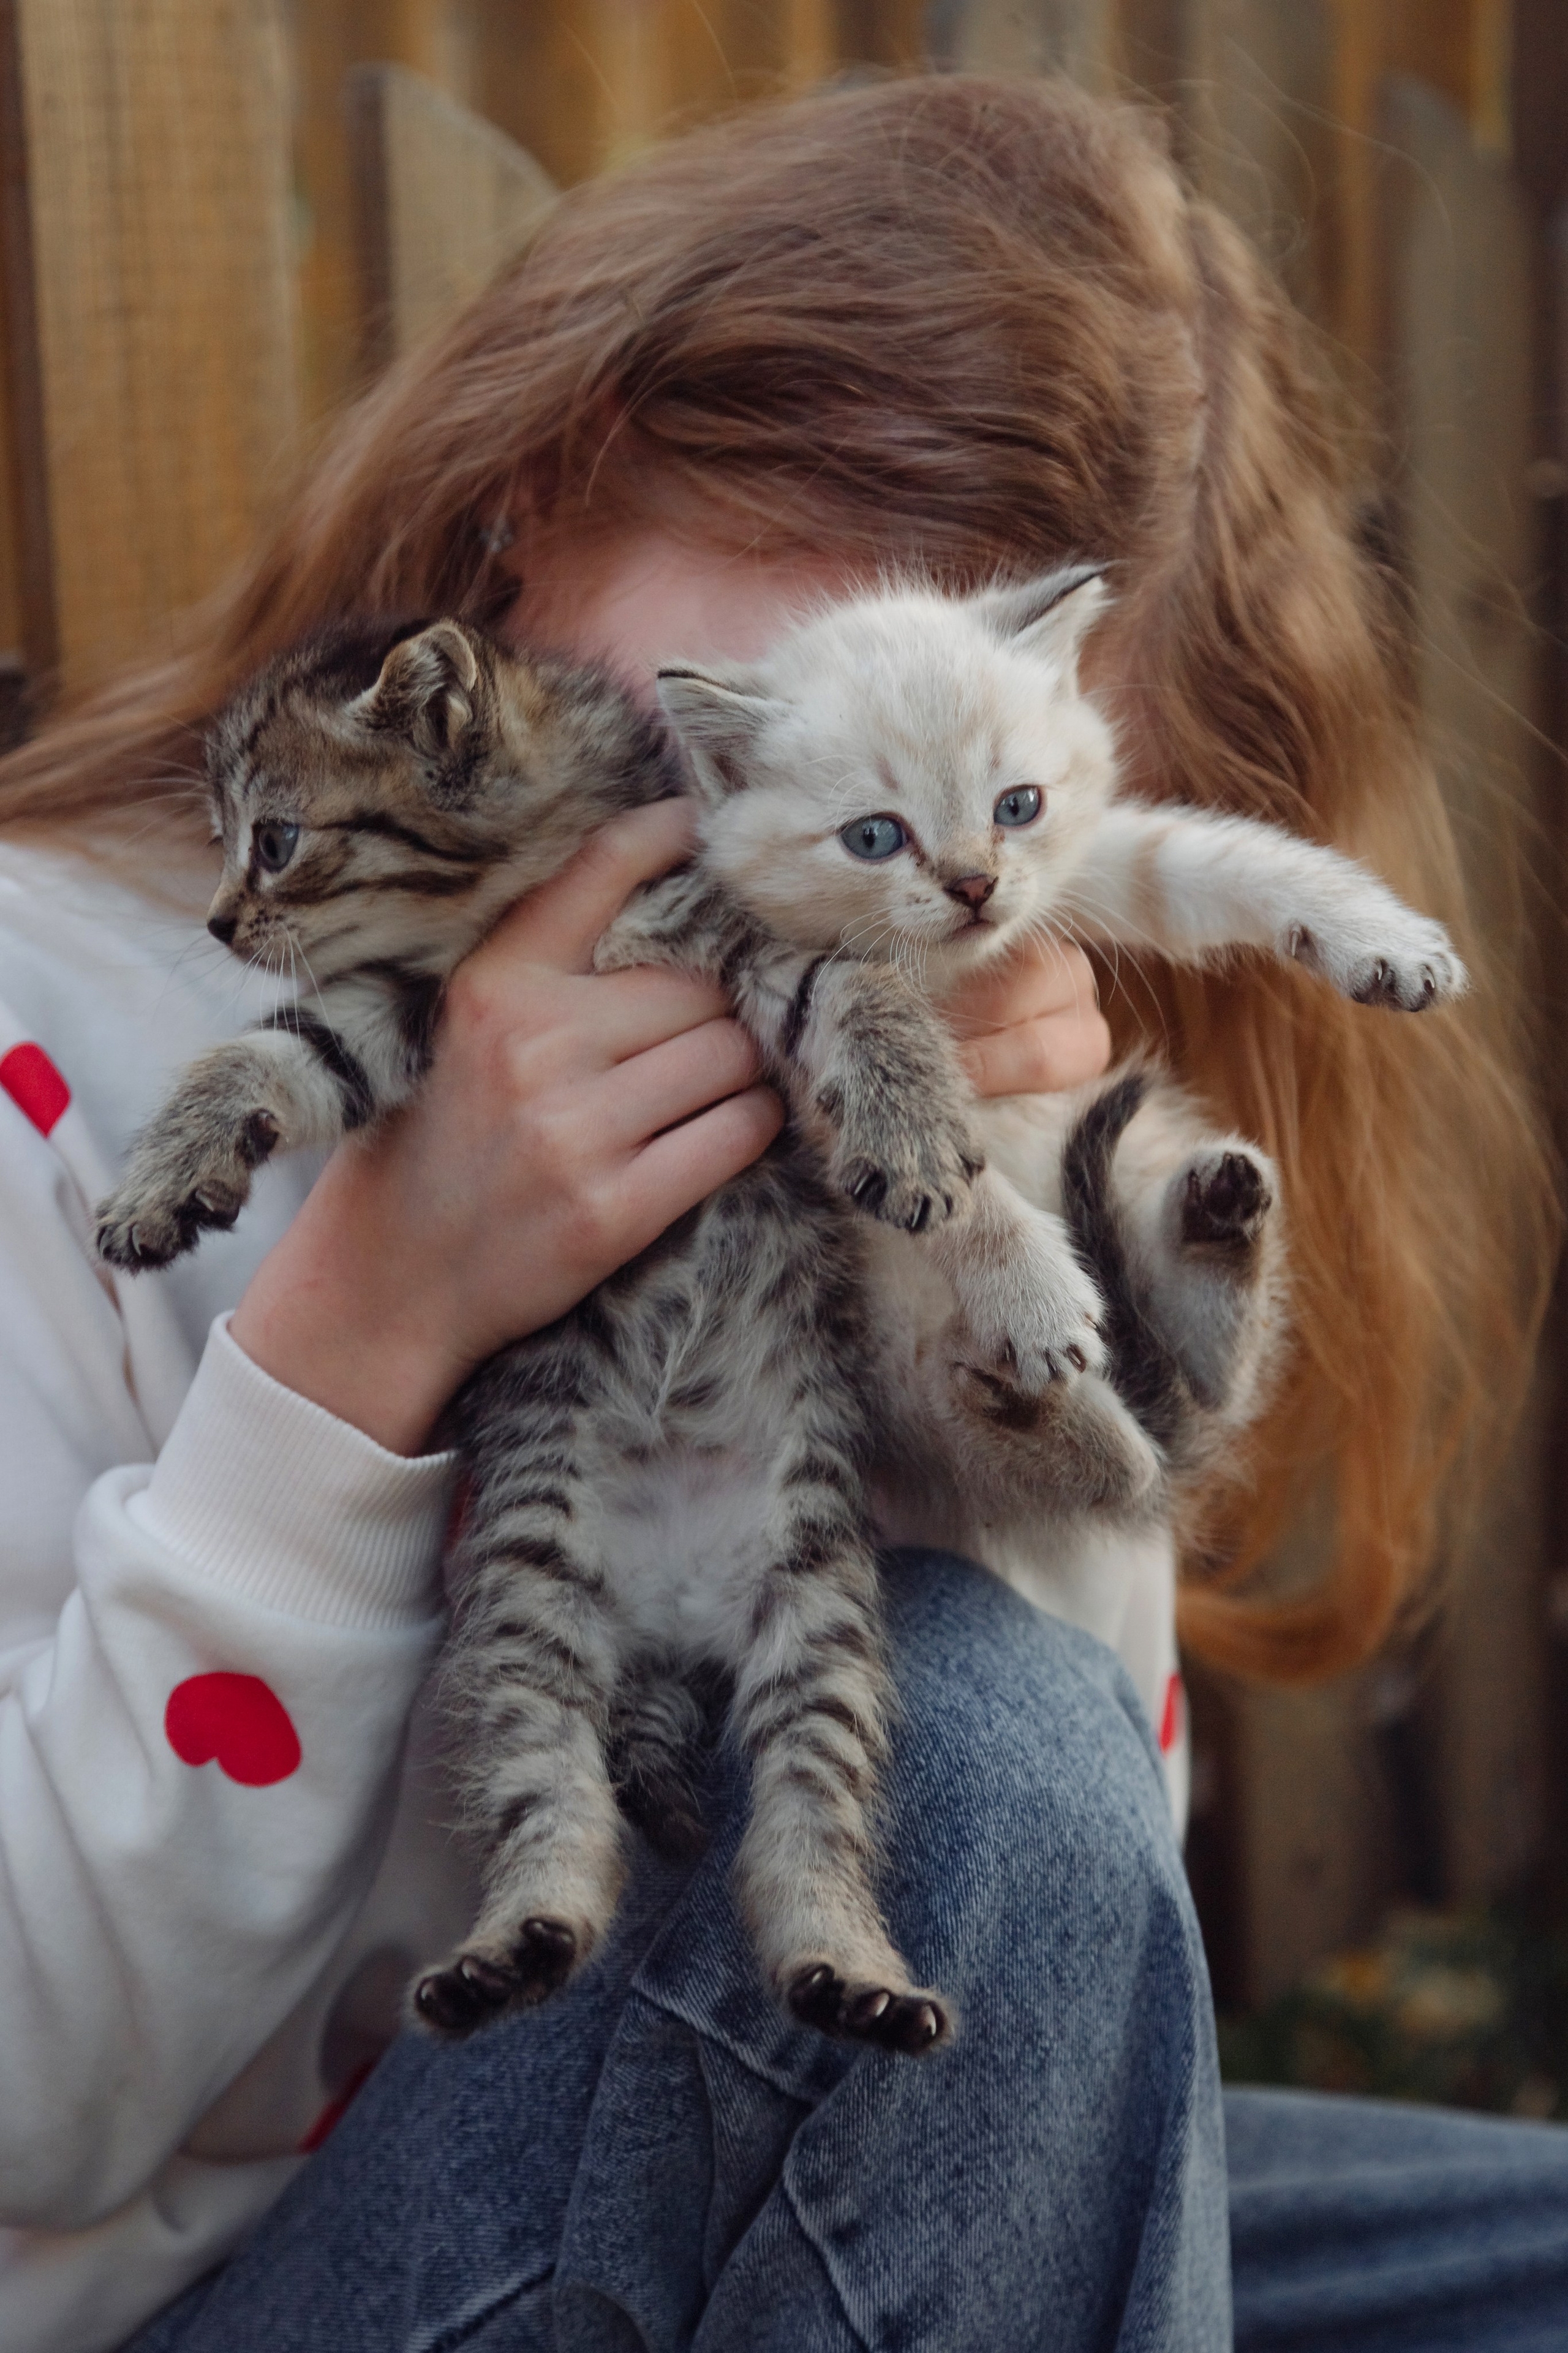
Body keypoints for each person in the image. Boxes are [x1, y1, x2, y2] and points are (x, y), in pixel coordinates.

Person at [0, 68, 1559, 2353]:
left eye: (956, 865)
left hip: (733, 2131)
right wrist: (352, 1339)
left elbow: (1041, 1982)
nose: (805, 949)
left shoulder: (918, 999)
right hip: (196, 2284)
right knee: (989, 1781)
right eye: (733, 773)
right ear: (517, 530)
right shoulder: (63, 1039)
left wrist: (1005, 1255)